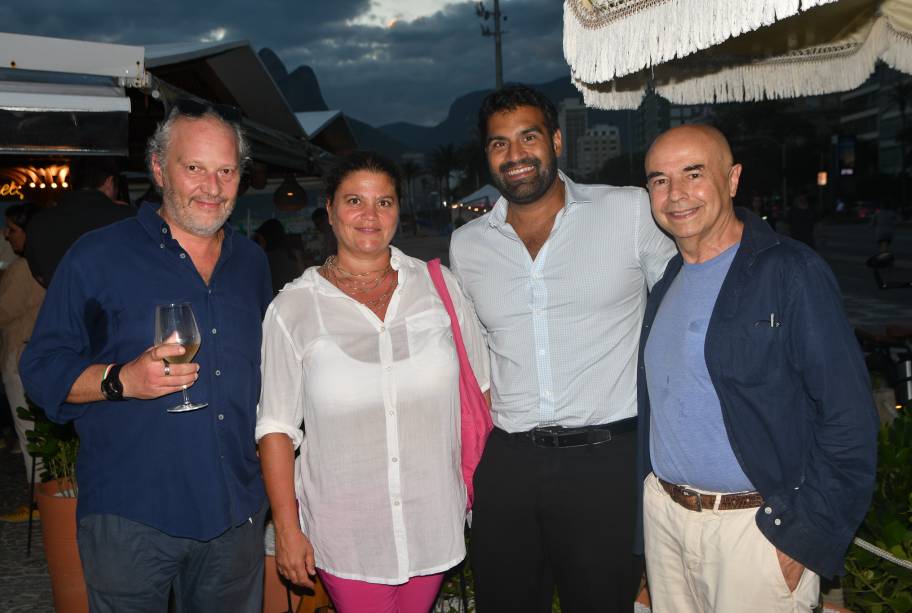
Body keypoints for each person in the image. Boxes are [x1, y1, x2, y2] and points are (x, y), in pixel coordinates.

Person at [20, 99, 272, 612]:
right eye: (194, 168)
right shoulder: (96, 256)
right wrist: (120, 381)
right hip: (132, 515)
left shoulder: (251, 262)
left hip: (235, 514)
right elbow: (41, 369)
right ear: (158, 169)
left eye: (226, 171)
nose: (212, 186)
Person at [448, 85, 675, 613]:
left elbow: (687, 304)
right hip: (508, 462)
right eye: (499, 143)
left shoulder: (629, 211)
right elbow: (472, 354)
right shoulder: (468, 244)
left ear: (555, 141)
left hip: (606, 461)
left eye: (528, 137)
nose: (515, 154)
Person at [638, 124, 879, 612]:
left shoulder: (790, 272)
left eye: (693, 173)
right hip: (666, 521)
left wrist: (806, 538)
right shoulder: (667, 280)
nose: (675, 193)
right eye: (659, 180)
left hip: (757, 530)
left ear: (732, 179)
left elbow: (849, 419)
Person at [256, 150, 489, 613]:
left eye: (384, 202)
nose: (370, 215)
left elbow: (481, 391)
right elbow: (276, 428)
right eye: (354, 201)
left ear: (398, 210)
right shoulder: (293, 308)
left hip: (432, 518)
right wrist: (287, 528)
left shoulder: (438, 288)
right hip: (346, 532)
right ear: (329, 210)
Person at [24, 156, 135, 288]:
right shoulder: (129, 218)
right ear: (109, 182)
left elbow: (40, 276)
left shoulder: (38, 223)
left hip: (62, 299)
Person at [0, 204, 46, 492]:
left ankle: (41, 494)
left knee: (28, 429)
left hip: (20, 354)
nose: (7, 235)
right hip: (39, 352)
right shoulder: (49, 259)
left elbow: (3, 311)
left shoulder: (22, 268)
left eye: (12, 229)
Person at [253, 218, 304, 295]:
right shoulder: (294, 254)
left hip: (277, 299)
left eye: (260, 240)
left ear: (265, 238)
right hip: (296, 296)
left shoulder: (267, 258)